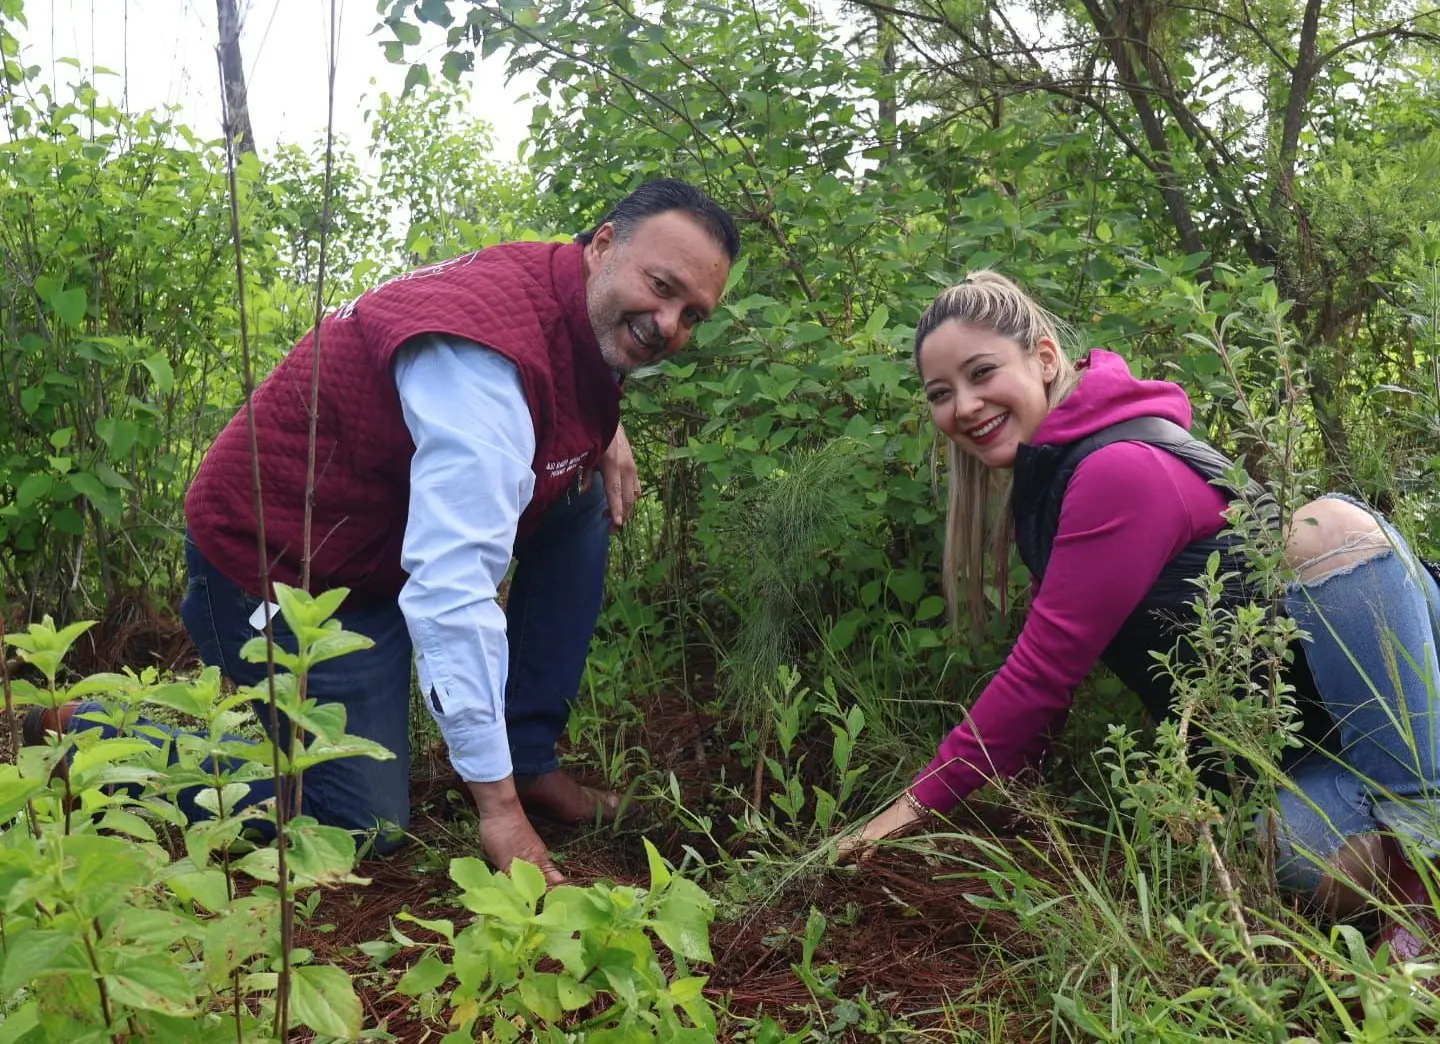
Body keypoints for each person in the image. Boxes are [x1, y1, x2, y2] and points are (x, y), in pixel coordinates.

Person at [30, 178, 738, 885]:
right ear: (604, 245)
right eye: (661, 285)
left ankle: (527, 758)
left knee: (575, 491)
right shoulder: (485, 365)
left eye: (693, 314)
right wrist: (497, 812)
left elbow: (562, 372)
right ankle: (92, 734)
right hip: (283, 563)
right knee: (361, 826)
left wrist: (603, 432)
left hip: (375, 546)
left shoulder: (567, 286)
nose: (669, 324)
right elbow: (452, 592)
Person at [840, 271, 1440, 954]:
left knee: (1324, 528)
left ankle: (1426, 875)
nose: (965, 405)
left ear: (1041, 359)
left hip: (1407, 707)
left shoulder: (1116, 469)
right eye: (941, 393)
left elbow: (1038, 678)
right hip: (1327, 753)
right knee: (1292, 854)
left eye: (982, 373)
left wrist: (896, 817)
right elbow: (1050, 683)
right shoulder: (1052, 487)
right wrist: (1024, 817)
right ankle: (1411, 837)